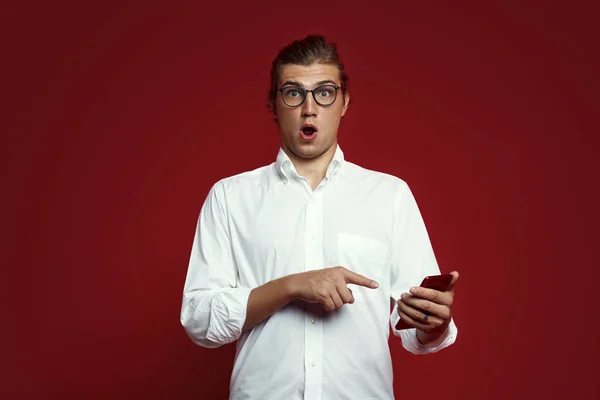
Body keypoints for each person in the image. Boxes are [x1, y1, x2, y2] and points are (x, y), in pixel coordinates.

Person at [180, 34, 459, 400]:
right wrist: (292, 286)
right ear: (274, 104)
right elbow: (200, 321)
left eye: (324, 92)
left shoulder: (390, 195)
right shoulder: (230, 198)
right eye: (293, 93)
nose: (309, 108)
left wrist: (432, 323)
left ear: (343, 102)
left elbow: (414, 332)